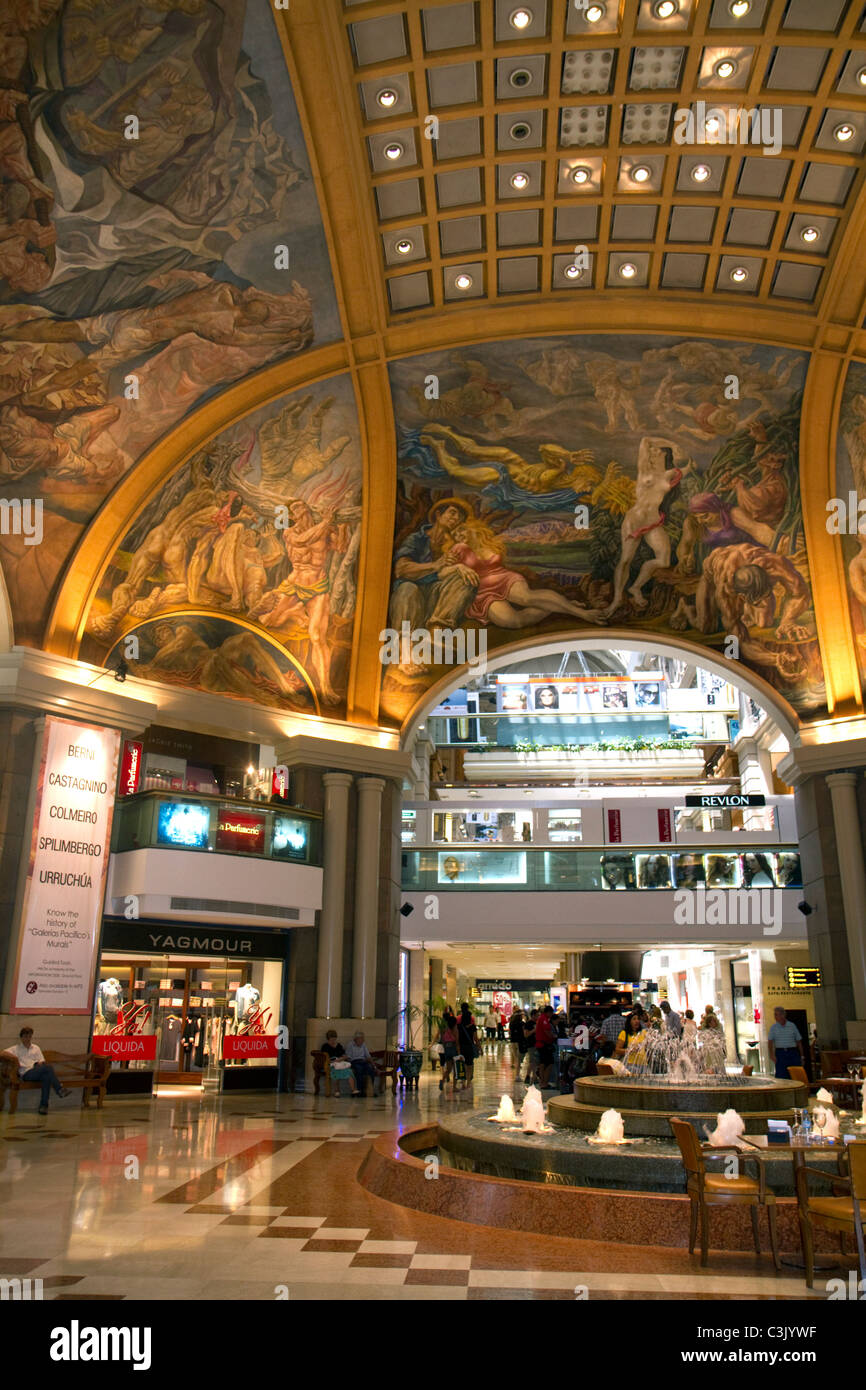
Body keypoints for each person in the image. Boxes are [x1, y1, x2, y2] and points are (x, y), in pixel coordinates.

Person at [2, 1027, 71, 1114]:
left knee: (46, 1077)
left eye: (29, 1036)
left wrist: (39, 1064)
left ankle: (43, 1106)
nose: (27, 1039)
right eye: (25, 1036)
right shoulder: (16, 1048)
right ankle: (59, 1089)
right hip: (26, 1074)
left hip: (37, 1071)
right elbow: (2, 1053)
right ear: (21, 1037)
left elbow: (42, 1061)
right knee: (48, 1068)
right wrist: (14, 1058)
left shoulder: (36, 1048)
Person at [768, 1007, 805, 1080]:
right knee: (781, 1075)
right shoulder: (773, 1028)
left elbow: (799, 1041)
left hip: (792, 1052)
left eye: (776, 1015)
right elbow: (770, 1042)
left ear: (783, 1015)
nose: (775, 1017)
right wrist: (771, 1055)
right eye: (775, 1015)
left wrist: (802, 1056)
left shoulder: (792, 1026)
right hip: (780, 1053)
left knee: (796, 1074)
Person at [319, 1029, 358, 1095]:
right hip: (331, 1064)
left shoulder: (339, 1046)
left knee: (349, 1071)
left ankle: (353, 1090)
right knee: (335, 1072)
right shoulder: (325, 1046)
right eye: (332, 1040)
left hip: (340, 1063)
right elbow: (324, 1058)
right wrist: (333, 1061)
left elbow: (345, 1055)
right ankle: (337, 1091)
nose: (333, 1041)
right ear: (328, 1039)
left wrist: (341, 1059)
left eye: (334, 1039)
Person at [345, 1031, 378, 1098]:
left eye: (362, 1039)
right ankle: (360, 1091)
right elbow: (348, 1057)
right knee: (359, 1069)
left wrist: (374, 1066)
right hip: (354, 1061)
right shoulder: (350, 1045)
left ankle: (370, 1090)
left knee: (370, 1069)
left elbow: (368, 1056)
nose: (362, 1041)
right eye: (360, 1039)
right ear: (356, 1039)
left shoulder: (363, 1045)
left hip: (363, 1061)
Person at [534, 1004, 557, 1089]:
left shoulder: (542, 1018)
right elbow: (547, 1031)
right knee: (549, 1064)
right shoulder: (544, 1019)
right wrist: (553, 1036)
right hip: (544, 1045)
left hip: (541, 1044)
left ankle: (542, 1082)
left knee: (542, 1064)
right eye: (551, 1013)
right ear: (548, 1012)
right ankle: (544, 1083)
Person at [456, 1003, 478, 1086]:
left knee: (463, 1062)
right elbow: (475, 1037)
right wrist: (479, 1047)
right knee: (470, 1063)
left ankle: (463, 1079)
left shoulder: (458, 1019)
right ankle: (469, 1080)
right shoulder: (472, 1020)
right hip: (469, 1045)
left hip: (461, 1045)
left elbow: (456, 1034)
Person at [438, 1010, 459, 1091]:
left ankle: (442, 1080)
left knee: (448, 1069)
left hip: (447, 1048)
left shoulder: (444, 1029)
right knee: (455, 1069)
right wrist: (458, 1050)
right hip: (453, 1048)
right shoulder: (455, 1029)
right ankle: (454, 1087)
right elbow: (457, 1040)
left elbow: (442, 1039)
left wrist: (445, 1047)